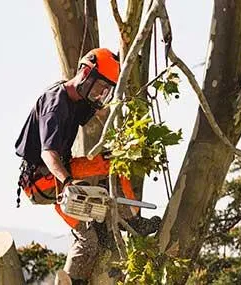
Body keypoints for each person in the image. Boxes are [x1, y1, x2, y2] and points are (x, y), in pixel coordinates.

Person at [14, 48, 161, 284]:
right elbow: (48, 153)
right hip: (45, 180)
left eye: (107, 89)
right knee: (111, 168)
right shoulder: (55, 104)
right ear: (85, 73)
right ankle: (132, 222)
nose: (102, 93)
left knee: (91, 236)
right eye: (101, 86)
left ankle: (78, 276)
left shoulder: (80, 99)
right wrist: (69, 182)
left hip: (60, 174)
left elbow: (103, 113)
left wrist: (128, 134)